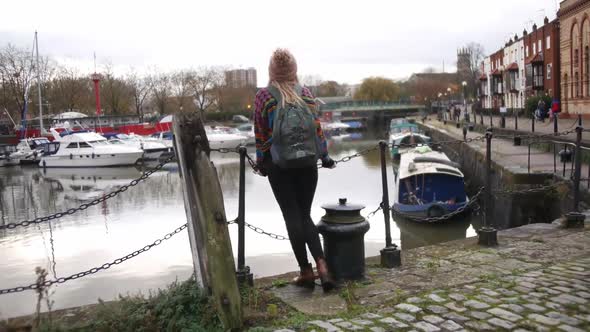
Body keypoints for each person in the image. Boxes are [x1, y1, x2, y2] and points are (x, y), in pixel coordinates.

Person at [254, 48, 336, 292]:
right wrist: (325, 156)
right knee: (305, 214)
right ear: (294, 70)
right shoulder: (306, 94)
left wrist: (261, 162)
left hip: (280, 166)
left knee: (292, 215)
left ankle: (306, 271)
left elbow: (260, 135)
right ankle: (324, 267)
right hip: (308, 164)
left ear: (271, 71)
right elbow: (317, 130)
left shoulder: (264, 97)